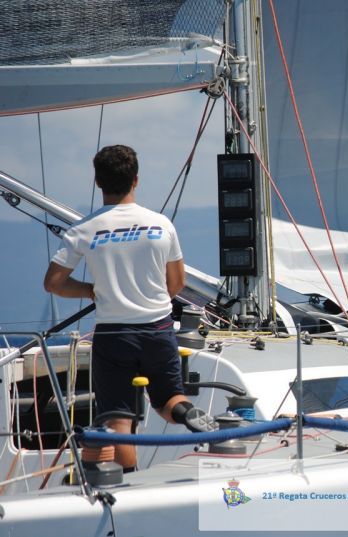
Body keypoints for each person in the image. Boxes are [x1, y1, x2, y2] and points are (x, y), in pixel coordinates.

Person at [43, 144, 216, 472]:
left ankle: (130, 479)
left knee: (118, 419)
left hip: (114, 335)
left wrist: (91, 291)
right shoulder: (161, 225)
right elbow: (177, 283)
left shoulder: (83, 230)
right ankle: (185, 411)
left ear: (98, 181)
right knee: (169, 400)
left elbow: (53, 283)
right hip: (158, 329)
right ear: (136, 179)